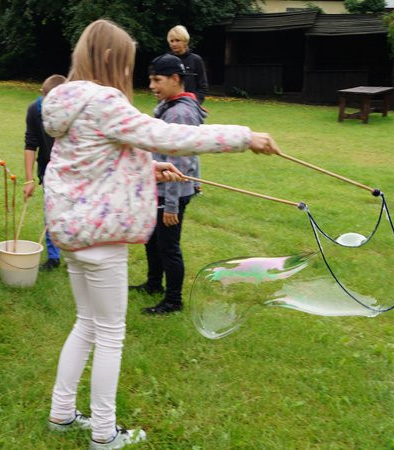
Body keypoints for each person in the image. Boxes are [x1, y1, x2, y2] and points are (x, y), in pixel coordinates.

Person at [43, 19, 280, 449]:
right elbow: (167, 134)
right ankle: (103, 433)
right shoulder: (104, 101)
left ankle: (61, 413)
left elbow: (92, 161)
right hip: (101, 240)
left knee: (86, 323)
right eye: (130, 62)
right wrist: (245, 137)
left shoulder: (67, 102)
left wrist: (148, 167)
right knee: (110, 333)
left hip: (74, 235)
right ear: (113, 59)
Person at [131, 54, 205, 315]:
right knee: (151, 240)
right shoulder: (170, 107)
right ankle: (153, 284)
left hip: (170, 192)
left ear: (176, 79)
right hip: (157, 187)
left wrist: (172, 205)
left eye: (157, 80)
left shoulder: (180, 114)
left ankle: (173, 300)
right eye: (150, 79)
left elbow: (180, 162)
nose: (151, 85)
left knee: (168, 246)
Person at [23, 74, 66, 271]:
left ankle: (77, 254)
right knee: (52, 211)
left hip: (73, 170)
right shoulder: (35, 109)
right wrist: (29, 179)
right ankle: (54, 257)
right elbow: (30, 143)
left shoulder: (72, 111)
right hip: (49, 169)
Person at [167, 25, 208, 195]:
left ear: (185, 41)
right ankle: (172, 180)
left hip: (190, 109)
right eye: (171, 41)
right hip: (170, 109)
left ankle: (195, 185)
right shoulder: (167, 60)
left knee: (191, 146)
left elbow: (203, 86)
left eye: (177, 40)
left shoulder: (195, 60)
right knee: (171, 146)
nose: (174, 44)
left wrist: (192, 103)